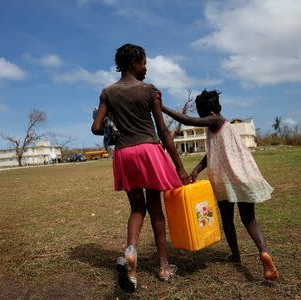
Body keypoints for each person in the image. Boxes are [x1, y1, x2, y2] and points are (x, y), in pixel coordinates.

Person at [91, 43, 190, 293]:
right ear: (134, 63)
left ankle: (131, 251)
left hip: (124, 153)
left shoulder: (107, 92)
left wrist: (111, 120)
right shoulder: (150, 91)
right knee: (155, 209)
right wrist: (179, 167)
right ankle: (164, 266)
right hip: (148, 150)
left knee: (137, 208)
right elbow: (163, 130)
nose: (146, 68)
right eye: (144, 63)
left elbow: (95, 127)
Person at [161, 89, 279, 281]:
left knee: (228, 219)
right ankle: (263, 251)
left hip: (225, 180)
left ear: (203, 111)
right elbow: (212, 153)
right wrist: (197, 169)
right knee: (250, 219)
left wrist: (162, 107)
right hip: (243, 177)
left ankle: (235, 255)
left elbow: (189, 121)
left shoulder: (215, 120)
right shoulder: (224, 125)